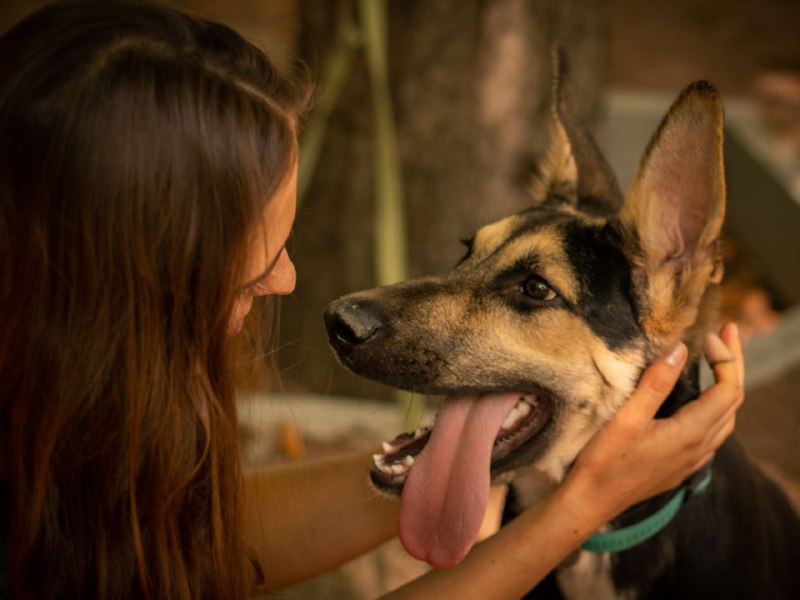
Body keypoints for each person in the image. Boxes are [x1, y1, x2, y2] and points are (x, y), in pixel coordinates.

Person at [0, 1, 745, 598]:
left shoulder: (58, 422)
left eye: (529, 288)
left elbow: (178, 539)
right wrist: (578, 506)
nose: (287, 279)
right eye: (256, 255)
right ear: (124, 271)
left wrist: (438, 462)